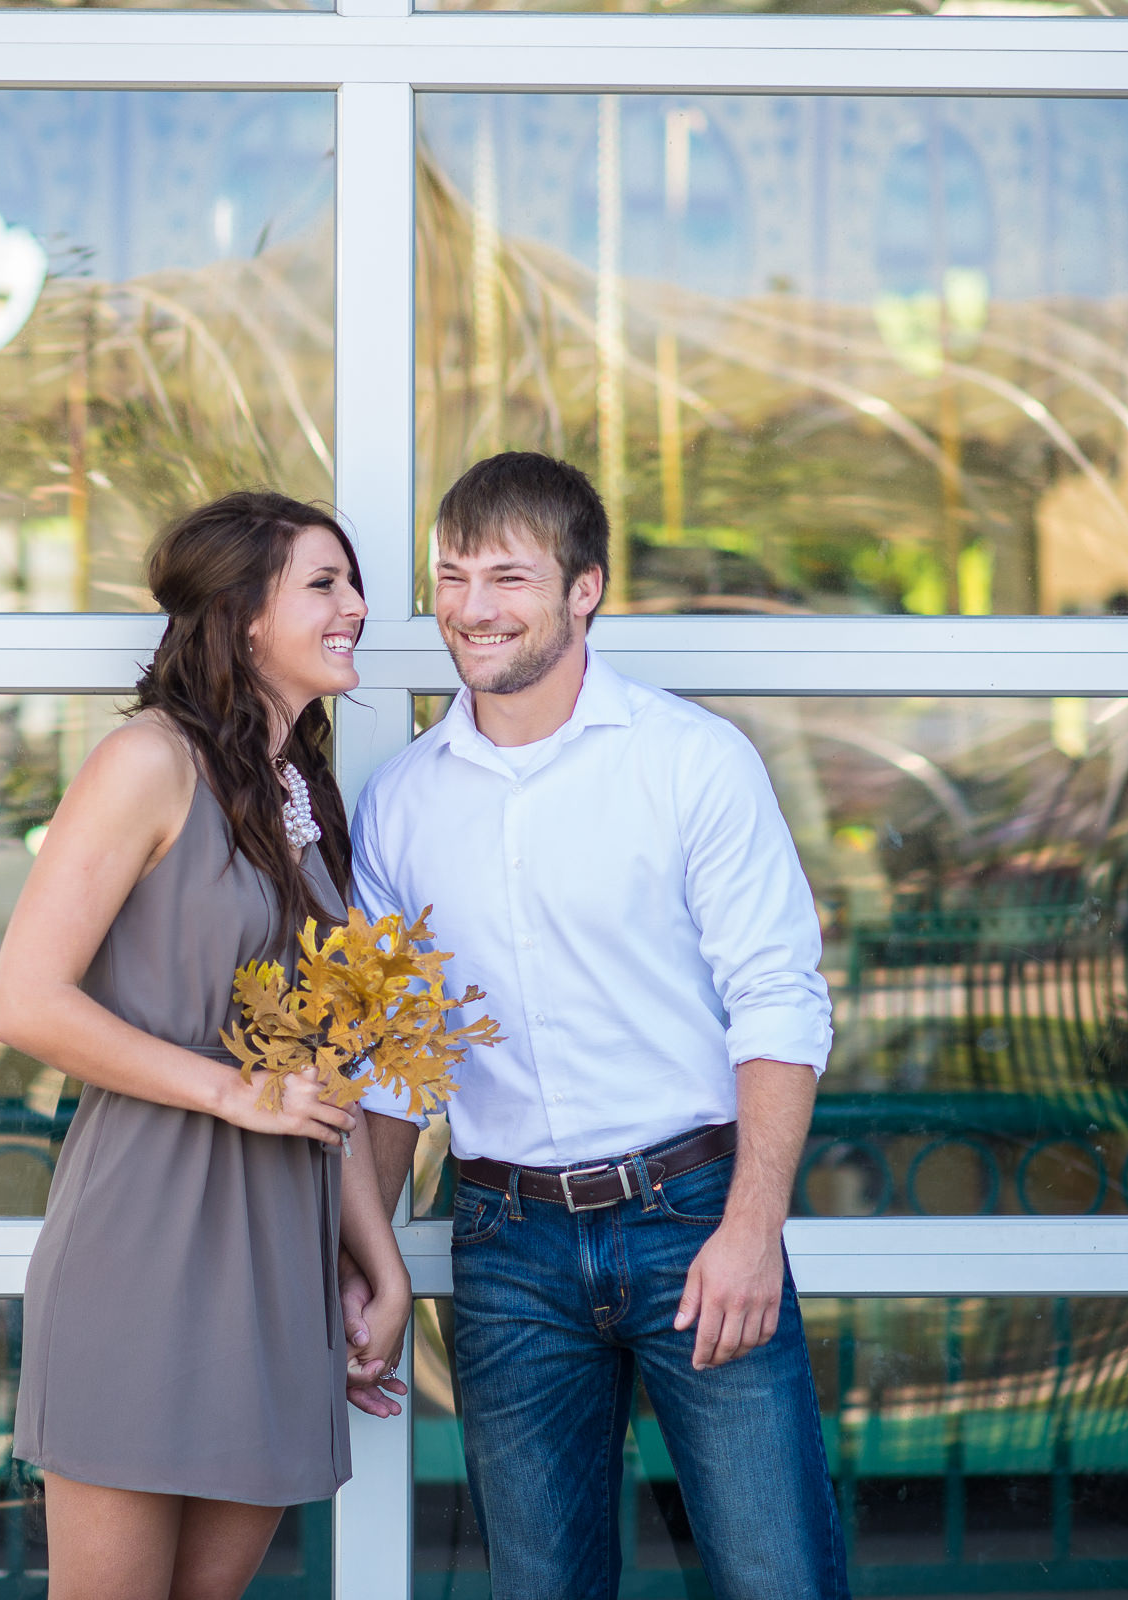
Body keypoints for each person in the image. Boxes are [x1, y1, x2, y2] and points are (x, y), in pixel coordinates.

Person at [343, 453, 848, 1598]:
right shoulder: (403, 802)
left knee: (779, 1577)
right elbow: (396, 1063)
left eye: (509, 576)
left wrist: (752, 1226)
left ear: (586, 590)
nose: (473, 607)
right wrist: (367, 1246)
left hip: (695, 1221)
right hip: (508, 1240)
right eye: (453, 575)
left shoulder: (691, 761)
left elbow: (778, 996)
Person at [0, 491, 411, 1600]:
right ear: (241, 618)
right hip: (147, 1240)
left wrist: (375, 1252)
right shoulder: (146, 760)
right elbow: (26, 1000)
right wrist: (232, 1092)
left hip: (280, 1255)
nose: (358, 608)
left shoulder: (308, 794)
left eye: (351, 583)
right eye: (324, 585)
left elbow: (324, 1071)